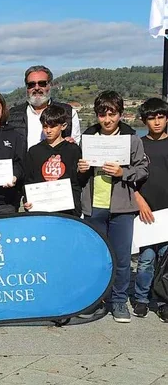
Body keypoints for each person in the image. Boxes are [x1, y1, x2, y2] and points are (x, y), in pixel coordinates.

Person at [78, 90, 148, 323]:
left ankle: (118, 301)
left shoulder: (132, 139)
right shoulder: (88, 138)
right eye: (102, 114)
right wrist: (81, 168)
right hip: (94, 206)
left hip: (122, 208)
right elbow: (80, 171)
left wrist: (123, 173)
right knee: (96, 256)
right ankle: (97, 299)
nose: (107, 120)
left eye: (112, 114)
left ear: (120, 114)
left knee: (121, 258)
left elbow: (143, 169)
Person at [133, 98, 168, 320]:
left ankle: (163, 301)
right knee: (146, 260)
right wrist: (139, 201)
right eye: (151, 118)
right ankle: (141, 299)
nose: (156, 122)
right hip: (144, 211)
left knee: (166, 260)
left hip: (167, 213)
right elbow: (129, 180)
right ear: (144, 120)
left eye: (161, 117)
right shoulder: (138, 144)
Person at [23, 105, 83, 217]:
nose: (48, 131)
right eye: (45, 127)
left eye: (53, 126)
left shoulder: (73, 150)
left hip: (68, 211)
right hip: (41, 210)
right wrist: (28, 200)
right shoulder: (34, 151)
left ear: (63, 126)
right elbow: (28, 180)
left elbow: (78, 181)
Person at [7, 65, 82, 148]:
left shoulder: (68, 112)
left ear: (50, 85)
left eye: (42, 83)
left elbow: (76, 145)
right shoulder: (12, 115)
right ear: (26, 87)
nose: (36, 88)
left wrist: (70, 144)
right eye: (31, 84)